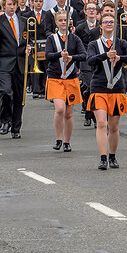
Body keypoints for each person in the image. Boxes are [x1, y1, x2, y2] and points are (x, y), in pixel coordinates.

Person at [86, 13, 127, 170]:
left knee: (114, 127)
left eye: (111, 22)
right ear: (100, 25)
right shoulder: (94, 44)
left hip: (116, 88)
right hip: (99, 87)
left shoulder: (120, 43)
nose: (108, 24)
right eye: (105, 22)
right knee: (102, 123)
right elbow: (90, 61)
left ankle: (112, 156)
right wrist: (105, 55)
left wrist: (120, 58)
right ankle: (102, 158)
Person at [44, 11, 86, 153]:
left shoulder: (74, 39)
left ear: (69, 22)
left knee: (68, 112)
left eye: (65, 20)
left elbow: (83, 55)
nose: (63, 22)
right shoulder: (52, 39)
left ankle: (67, 141)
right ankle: (58, 138)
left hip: (71, 78)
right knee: (60, 108)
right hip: (56, 77)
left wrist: (72, 57)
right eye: (60, 20)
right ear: (56, 23)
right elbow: (47, 55)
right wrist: (59, 55)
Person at [0, 0, 27, 138]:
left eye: (14, 4)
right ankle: (5, 120)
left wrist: (28, 47)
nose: (12, 7)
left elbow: (26, 39)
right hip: (4, 63)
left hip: (20, 63)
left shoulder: (23, 21)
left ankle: (16, 128)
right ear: (4, 5)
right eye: (9, 4)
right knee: (5, 91)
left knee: (19, 96)